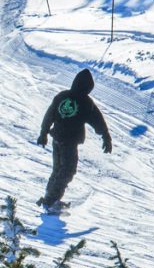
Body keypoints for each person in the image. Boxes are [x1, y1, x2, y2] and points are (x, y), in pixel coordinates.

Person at [36, 69, 112, 213]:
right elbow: (97, 120)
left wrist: (43, 133)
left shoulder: (62, 96)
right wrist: (105, 136)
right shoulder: (85, 102)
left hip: (57, 139)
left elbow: (49, 115)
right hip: (69, 142)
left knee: (58, 169)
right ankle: (51, 201)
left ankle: (49, 197)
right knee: (67, 170)